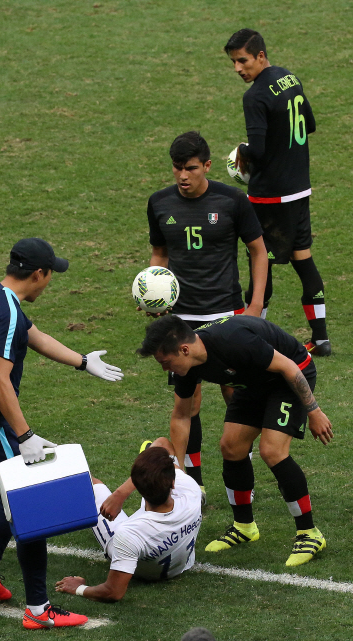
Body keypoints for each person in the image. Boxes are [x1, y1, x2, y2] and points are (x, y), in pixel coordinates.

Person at [0, 237, 123, 630]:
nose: (49, 283)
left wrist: (82, 362)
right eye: (50, 276)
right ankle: (38, 610)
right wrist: (25, 434)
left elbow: (35, 336)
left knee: (12, 499)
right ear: (38, 274)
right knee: (32, 506)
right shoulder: (6, 312)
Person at [137, 314, 333, 567]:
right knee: (231, 447)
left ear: (184, 349)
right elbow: (182, 416)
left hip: (289, 376)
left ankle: (309, 534)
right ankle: (244, 527)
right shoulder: (187, 366)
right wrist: (179, 469)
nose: (165, 369)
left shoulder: (233, 340)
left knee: (272, 450)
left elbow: (288, 368)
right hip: (252, 382)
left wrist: (313, 411)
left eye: (165, 362)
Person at [145, 131, 267, 498]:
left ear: (208, 166)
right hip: (181, 320)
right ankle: (192, 482)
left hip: (228, 315)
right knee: (188, 401)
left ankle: (240, 473)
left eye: (191, 168)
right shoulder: (159, 203)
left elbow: (259, 252)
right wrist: (154, 293)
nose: (183, 176)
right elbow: (159, 254)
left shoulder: (232, 200)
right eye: (177, 168)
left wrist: (256, 305)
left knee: (237, 394)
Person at [224, 29, 330, 356]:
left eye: (243, 61)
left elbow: (255, 148)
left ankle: (257, 337)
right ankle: (321, 338)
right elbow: (308, 125)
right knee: (303, 259)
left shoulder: (254, 96)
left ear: (260, 56)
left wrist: (242, 148)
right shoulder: (289, 78)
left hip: (270, 196)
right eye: (233, 63)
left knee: (261, 260)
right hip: (300, 190)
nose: (238, 68)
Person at [55, 439, 201, 603]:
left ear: (137, 488)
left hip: (145, 569)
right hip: (182, 563)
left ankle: (55, 463)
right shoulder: (191, 490)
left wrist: (78, 588)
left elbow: (113, 592)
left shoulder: (129, 534)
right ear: (173, 483)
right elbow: (163, 443)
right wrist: (121, 492)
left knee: (89, 485)